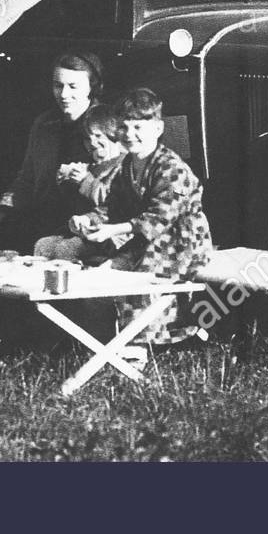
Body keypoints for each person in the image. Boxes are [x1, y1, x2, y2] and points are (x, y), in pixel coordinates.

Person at [72, 87, 213, 347]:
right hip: (146, 243)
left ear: (158, 128)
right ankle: (101, 347)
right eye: (124, 128)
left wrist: (113, 230)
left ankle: (143, 349)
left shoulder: (171, 168)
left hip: (180, 245)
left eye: (139, 127)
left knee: (137, 287)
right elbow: (115, 208)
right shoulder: (127, 166)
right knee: (99, 278)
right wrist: (89, 222)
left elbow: (160, 217)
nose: (130, 135)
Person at [0, 51, 102, 253]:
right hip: (41, 219)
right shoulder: (44, 124)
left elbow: (117, 189)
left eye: (73, 86)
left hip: (84, 225)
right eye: (58, 85)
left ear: (92, 87)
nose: (64, 94)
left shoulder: (105, 126)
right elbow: (27, 180)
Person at [33, 104, 129, 263]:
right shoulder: (91, 167)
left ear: (113, 134)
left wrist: (85, 181)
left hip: (112, 234)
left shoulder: (123, 166)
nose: (92, 142)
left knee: (67, 249)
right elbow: (77, 203)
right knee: (43, 245)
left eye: (98, 136)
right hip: (85, 230)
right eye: (87, 137)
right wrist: (66, 183)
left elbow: (112, 201)